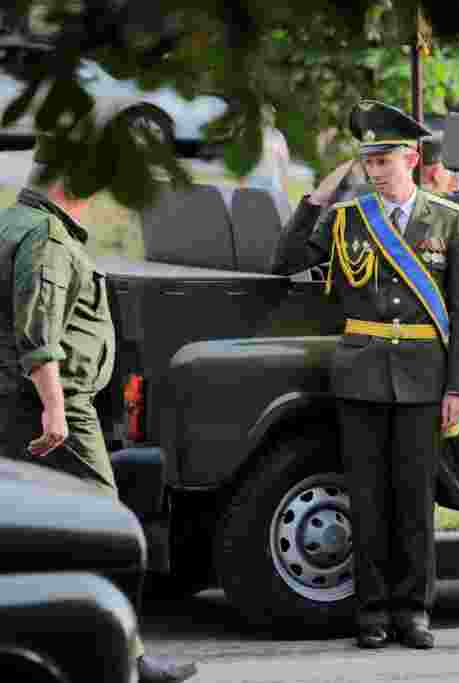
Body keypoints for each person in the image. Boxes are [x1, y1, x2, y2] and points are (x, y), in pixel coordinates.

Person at [270, 99, 459, 650]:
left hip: (423, 377)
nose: (376, 170)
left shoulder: (447, 219)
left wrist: (457, 385)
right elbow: (286, 260)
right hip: (362, 374)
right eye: (369, 161)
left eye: (385, 159)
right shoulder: (347, 217)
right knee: (367, 498)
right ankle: (372, 612)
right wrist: (318, 196)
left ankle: (413, 611)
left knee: (413, 501)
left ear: (412, 157)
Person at [0, 134, 198, 683]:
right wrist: (57, 411)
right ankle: (126, 658)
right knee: (110, 528)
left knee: (26, 527)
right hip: (50, 403)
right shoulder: (47, 238)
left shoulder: (11, 223)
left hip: (17, 401)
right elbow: (37, 336)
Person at [243, 104, 291, 196]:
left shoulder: (277, 135)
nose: (268, 117)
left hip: (270, 182)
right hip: (254, 180)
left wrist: (284, 187)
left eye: (271, 114)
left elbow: (284, 162)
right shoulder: (251, 134)